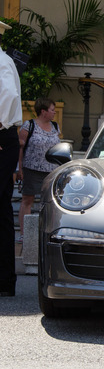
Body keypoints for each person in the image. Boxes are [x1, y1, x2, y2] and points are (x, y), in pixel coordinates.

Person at [17, 98, 61, 240]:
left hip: (51, 170)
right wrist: (19, 169)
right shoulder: (28, 126)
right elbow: (20, 148)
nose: (54, 112)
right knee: (27, 200)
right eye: (52, 110)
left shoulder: (55, 126)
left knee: (50, 202)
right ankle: (25, 234)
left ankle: (49, 233)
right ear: (43, 111)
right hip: (32, 169)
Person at [0, 20, 23, 297]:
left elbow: (8, 97)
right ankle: (4, 280)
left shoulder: (2, 62)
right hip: (4, 137)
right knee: (3, 211)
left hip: (2, 136)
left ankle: (5, 279)